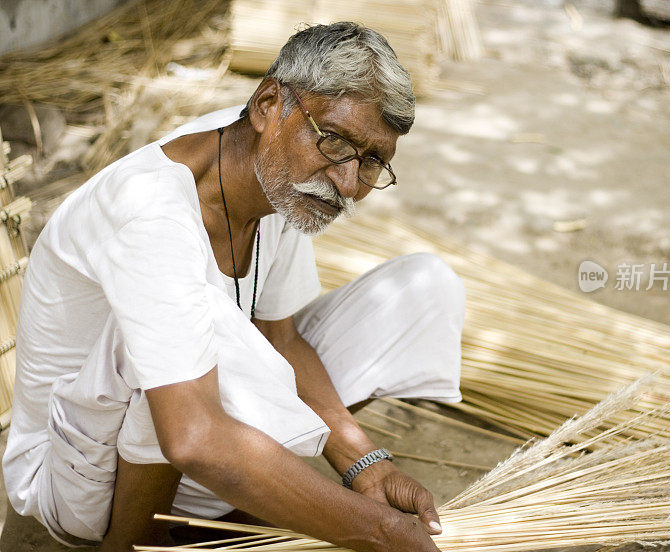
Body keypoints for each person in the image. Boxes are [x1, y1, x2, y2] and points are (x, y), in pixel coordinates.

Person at [1, 22, 465, 552]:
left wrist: (366, 466)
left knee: (425, 287)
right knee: (188, 332)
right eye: (334, 140)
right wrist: (376, 530)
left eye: (373, 160)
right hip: (77, 480)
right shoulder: (151, 209)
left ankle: (235, 499)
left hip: (182, 431)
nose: (346, 182)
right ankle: (135, 543)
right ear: (268, 104)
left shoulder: (277, 172)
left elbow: (281, 339)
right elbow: (192, 435)